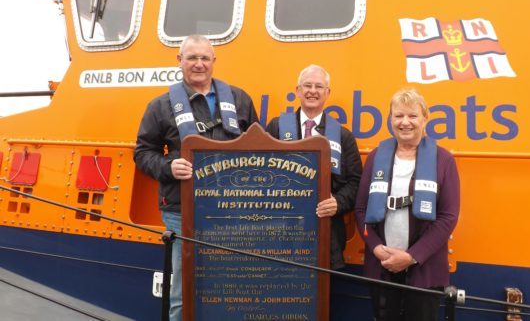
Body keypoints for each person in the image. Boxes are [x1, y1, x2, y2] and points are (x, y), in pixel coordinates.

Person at [134, 34, 258, 321]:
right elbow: (143, 153)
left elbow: (258, 148)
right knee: (182, 293)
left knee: (231, 288)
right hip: (181, 211)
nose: (199, 64)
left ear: (214, 62)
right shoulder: (160, 106)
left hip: (233, 210)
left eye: (204, 58)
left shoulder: (240, 99)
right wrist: (169, 167)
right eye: (192, 58)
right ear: (180, 61)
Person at [355, 88, 460, 321]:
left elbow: (448, 217)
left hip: (425, 270)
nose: (405, 122)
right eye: (398, 115)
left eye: (412, 116)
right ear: (390, 119)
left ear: (425, 118)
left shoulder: (443, 160)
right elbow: (361, 210)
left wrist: (412, 256)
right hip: (381, 267)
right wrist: (375, 247)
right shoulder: (375, 157)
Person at [265, 64, 363, 270]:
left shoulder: (343, 136)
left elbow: (356, 182)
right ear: (297, 91)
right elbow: (261, 173)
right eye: (307, 85)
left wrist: (337, 202)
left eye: (319, 86)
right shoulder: (276, 127)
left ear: (327, 93)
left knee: (323, 297)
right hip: (280, 231)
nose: (312, 91)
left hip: (326, 234)